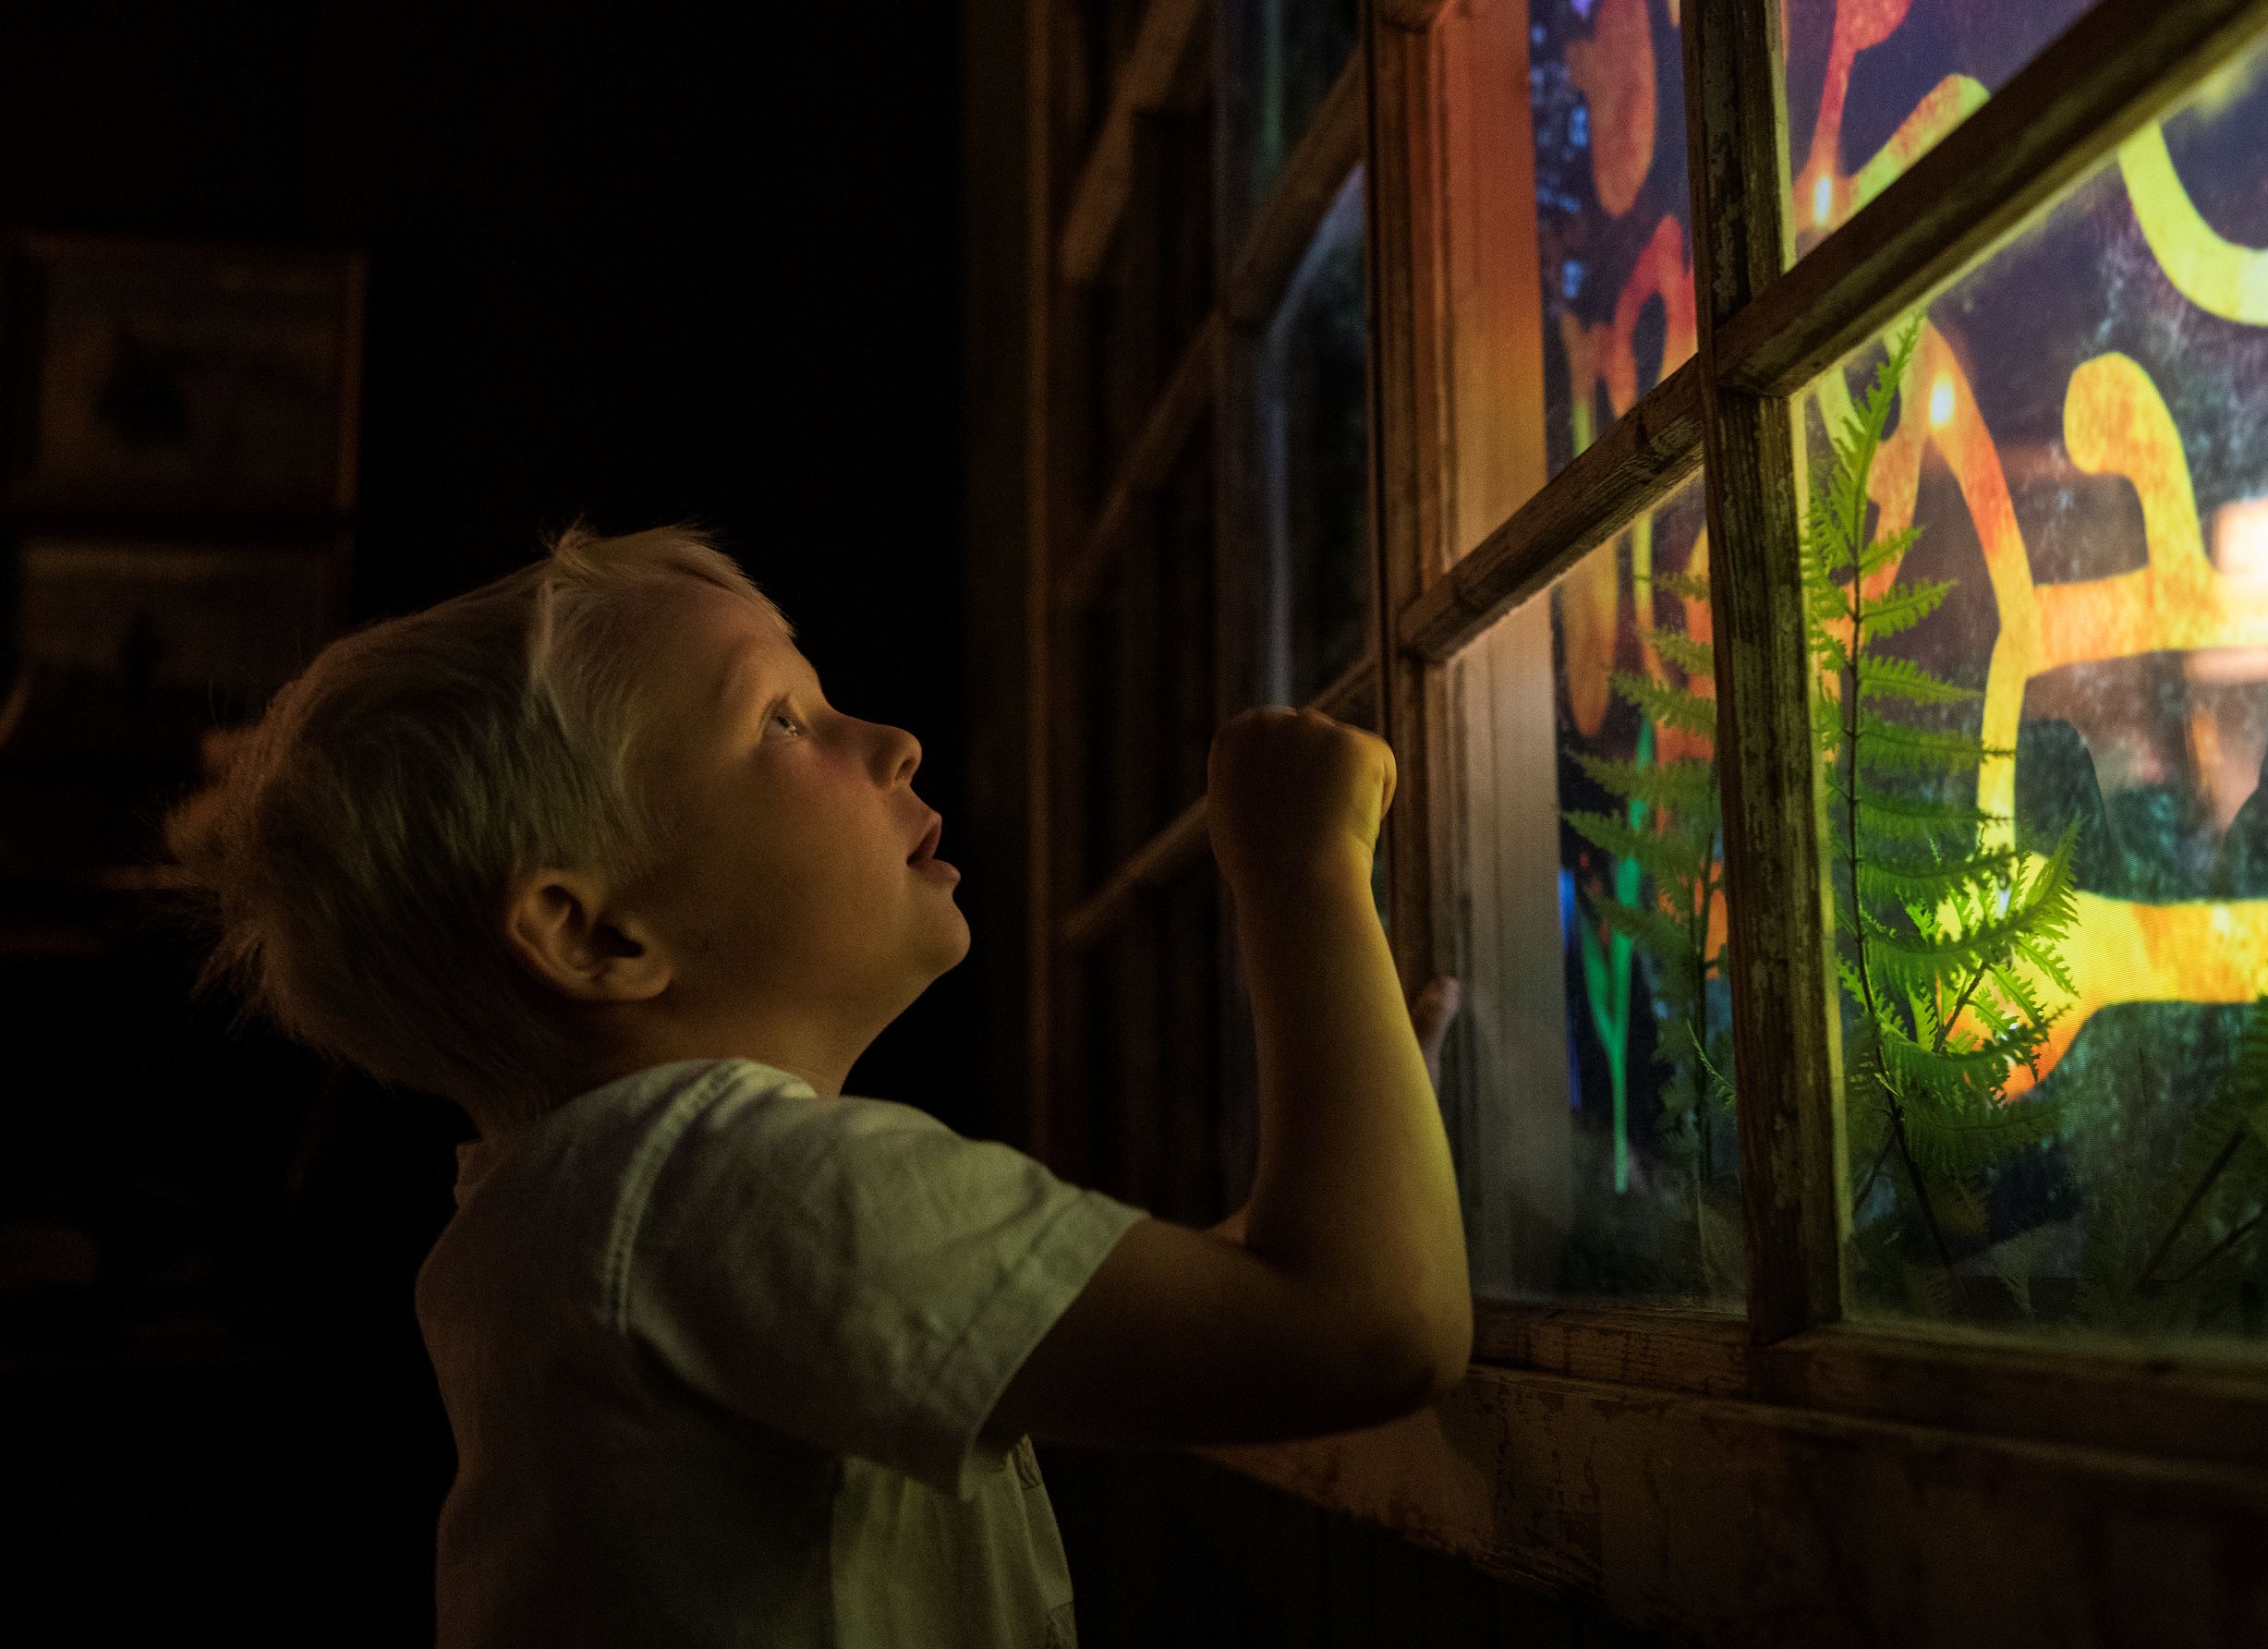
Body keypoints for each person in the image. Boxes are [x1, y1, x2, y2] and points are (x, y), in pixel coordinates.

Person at [164, 521, 1470, 1647]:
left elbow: (1178, 1323)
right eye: (781, 718)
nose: (893, 739)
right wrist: (1302, 872)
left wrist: (1364, 1125)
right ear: (595, 934)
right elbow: (1364, 1329)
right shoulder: (726, 1181)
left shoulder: (594, 1216)